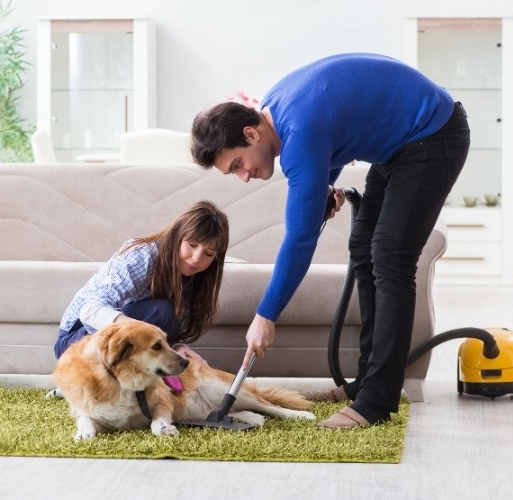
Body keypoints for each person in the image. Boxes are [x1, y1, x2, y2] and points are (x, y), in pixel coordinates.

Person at [190, 53, 470, 429]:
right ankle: (367, 383)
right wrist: (324, 186)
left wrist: (266, 314)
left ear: (251, 134)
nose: (243, 176)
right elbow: (334, 131)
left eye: (237, 164)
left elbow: (300, 239)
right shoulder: (277, 110)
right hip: (399, 147)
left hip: (432, 135)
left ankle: (377, 401)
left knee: (390, 258)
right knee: (364, 250)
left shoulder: (298, 135)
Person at [55, 200, 230, 369]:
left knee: (165, 315)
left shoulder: (194, 278)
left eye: (208, 253)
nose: (197, 258)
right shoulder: (143, 256)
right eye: (192, 244)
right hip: (74, 343)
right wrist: (140, 329)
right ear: (178, 236)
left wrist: (176, 347)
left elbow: (162, 329)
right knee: (162, 312)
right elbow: (90, 310)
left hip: (118, 342)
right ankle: (91, 378)